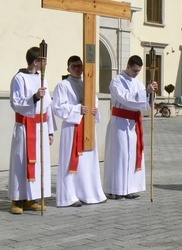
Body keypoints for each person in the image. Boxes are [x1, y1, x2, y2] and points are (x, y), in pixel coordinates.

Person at [52, 55, 107, 207]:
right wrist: (77, 109)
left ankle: (89, 193)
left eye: (79, 66)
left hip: (88, 127)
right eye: (73, 66)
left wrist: (95, 112)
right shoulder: (63, 85)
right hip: (72, 128)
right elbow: (57, 107)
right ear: (68, 68)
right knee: (71, 160)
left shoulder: (87, 83)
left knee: (88, 161)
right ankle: (69, 197)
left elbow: (94, 103)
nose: (77, 69)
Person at [8, 46, 57, 214]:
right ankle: (17, 199)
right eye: (44, 60)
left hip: (40, 127)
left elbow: (48, 106)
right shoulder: (19, 78)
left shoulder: (43, 79)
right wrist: (35, 97)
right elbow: (16, 103)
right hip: (24, 126)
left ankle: (31, 198)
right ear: (36, 61)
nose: (46, 64)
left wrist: (50, 130)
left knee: (39, 164)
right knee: (21, 161)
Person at [103, 55, 157, 200]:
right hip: (120, 122)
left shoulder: (138, 83)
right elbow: (125, 98)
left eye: (138, 71)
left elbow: (145, 102)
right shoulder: (116, 81)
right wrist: (146, 92)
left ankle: (130, 187)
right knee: (119, 155)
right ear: (128, 66)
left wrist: (151, 93)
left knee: (132, 155)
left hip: (133, 124)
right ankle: (114, 189)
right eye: (134, 70)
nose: (136, 73)